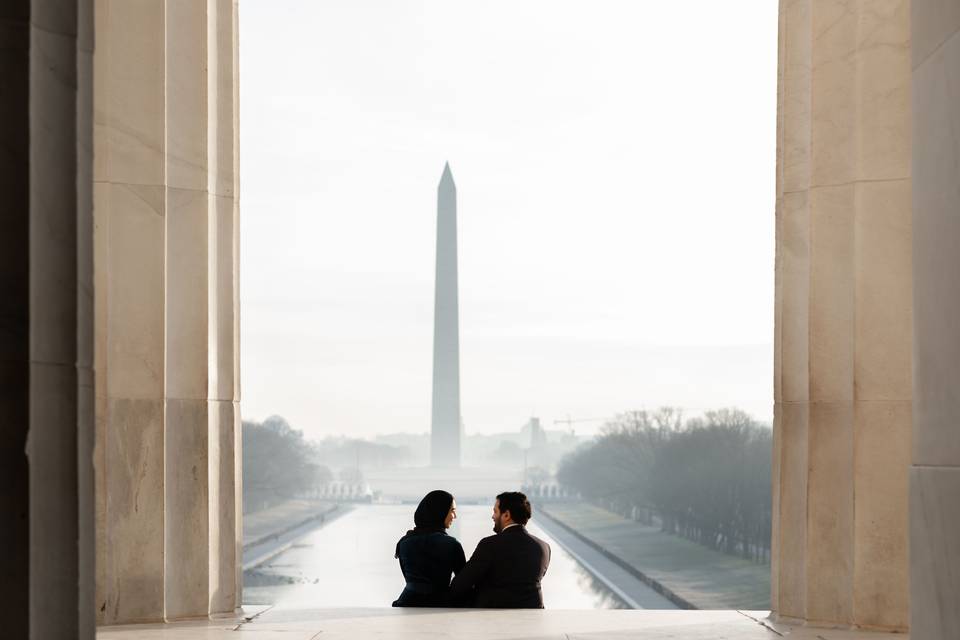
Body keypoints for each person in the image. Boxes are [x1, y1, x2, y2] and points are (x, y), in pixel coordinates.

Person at [449, 491, 551, 608]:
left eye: (495, 511)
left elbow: (460, 585)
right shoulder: (544, 547)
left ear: (506, 515)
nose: (493, 516)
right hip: (533, 617)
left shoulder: (489, 544)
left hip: (495, 618)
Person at [392, 489, 466, 607]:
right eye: (452, 510)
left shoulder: (404, 543)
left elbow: (409, 579)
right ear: (440, 512)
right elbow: (463, 581)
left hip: (407, 602)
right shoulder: (452, 544)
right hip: (439, 604)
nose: (455, 516)